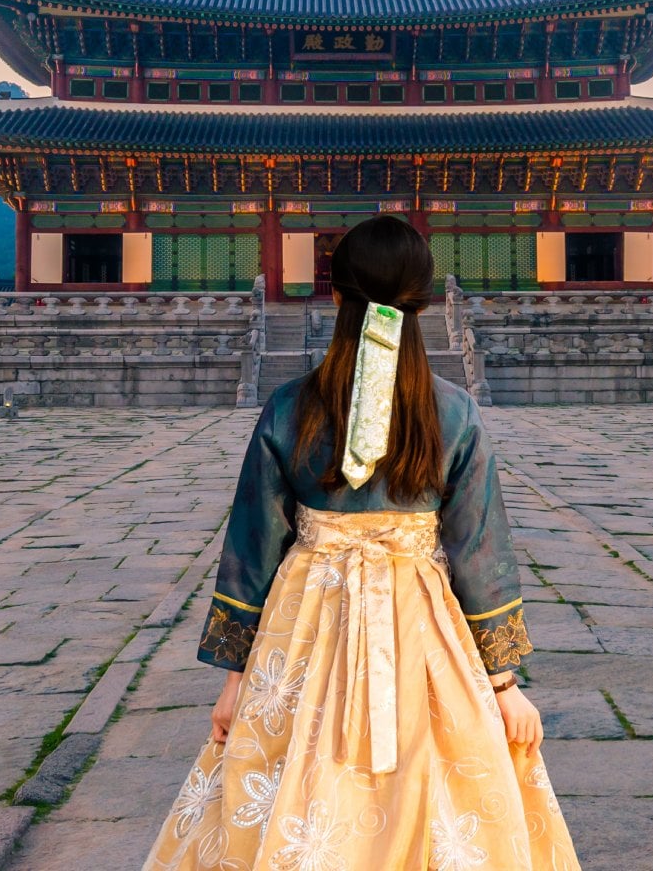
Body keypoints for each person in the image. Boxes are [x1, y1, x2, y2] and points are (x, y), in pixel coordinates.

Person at [144, 216, 579, 870]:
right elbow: (480, 551)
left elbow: (253, 546)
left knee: (300, 783)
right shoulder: (454, 412)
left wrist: (239, 677)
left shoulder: (290, 408)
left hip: (306, 622)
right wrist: (501, 683)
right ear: (422, 302)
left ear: (336, 296)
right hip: (424, 626)